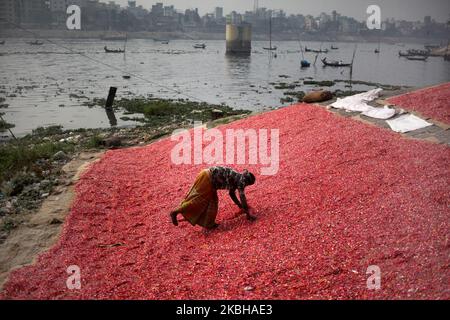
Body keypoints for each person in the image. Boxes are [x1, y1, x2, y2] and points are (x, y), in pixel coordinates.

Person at [170, 166, 256, 229]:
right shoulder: (241, 181)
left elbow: (231, 193)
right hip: (208, 178)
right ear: (246, 182)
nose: (246, 186)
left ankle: (209, 224)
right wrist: (248, 213)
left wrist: (239, 205)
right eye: (247, 184)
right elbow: (242, 196)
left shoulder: (237, 177)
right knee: (199, 199)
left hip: (208, 178)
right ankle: (176, 211)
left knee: (213, 202)